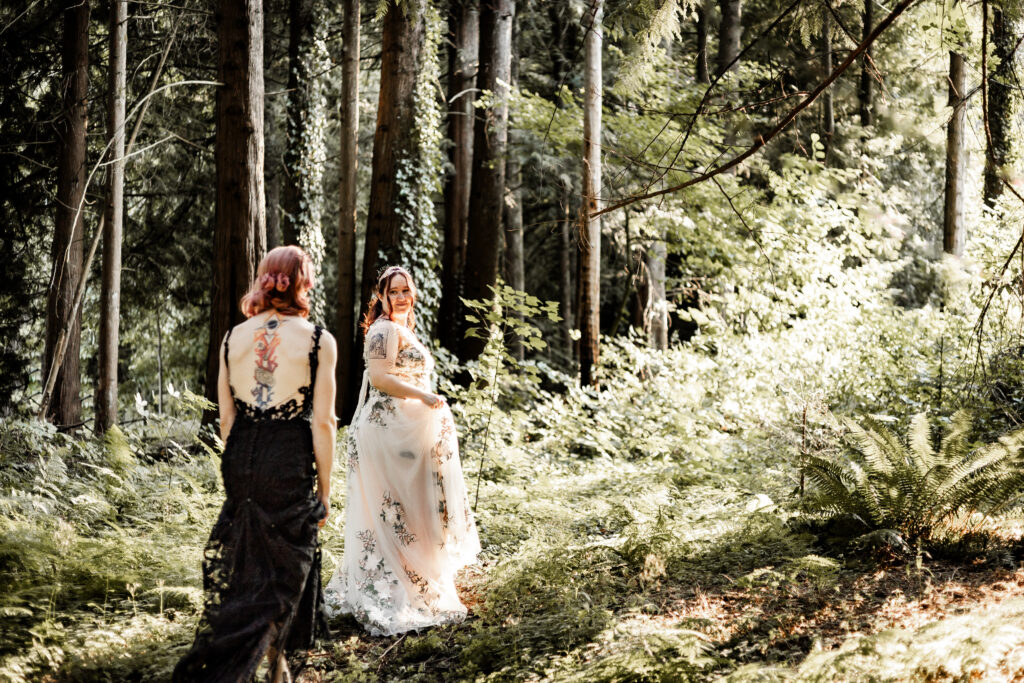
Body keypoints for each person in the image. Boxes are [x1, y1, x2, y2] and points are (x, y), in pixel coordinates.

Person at [174, 245, 337, 683]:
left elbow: (227, 418)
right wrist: (325, 490)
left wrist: (243, 469)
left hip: (241, 456)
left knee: (251, 566)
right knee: (287, 567)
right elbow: (323, 422)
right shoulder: (319, 340)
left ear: (266, 279)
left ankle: (277, 668)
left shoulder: (233, 337)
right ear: (301, 281)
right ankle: (257, 668)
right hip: (288, 456)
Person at [324, 265, 480, 636]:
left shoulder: (403, 329)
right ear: (381, 296)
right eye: (393, 291)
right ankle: (390, 587)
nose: (401, 297)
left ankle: (416, 581)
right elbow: (380, 379)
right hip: (384, 433)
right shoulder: (382, 330)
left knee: (410, 510)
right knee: (392, 510)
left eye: (405, 290)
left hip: (404, 431)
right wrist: (424, 396)